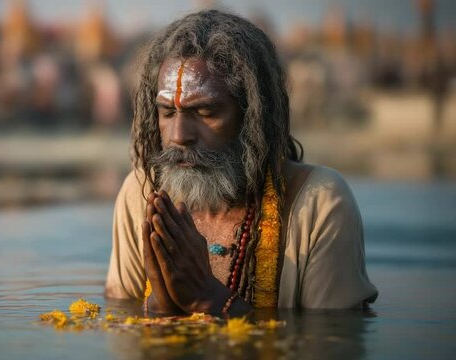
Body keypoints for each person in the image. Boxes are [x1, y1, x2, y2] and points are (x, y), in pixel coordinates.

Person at [104, 10, 378, 315]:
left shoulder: (321, 204)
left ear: (251, 117)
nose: (179, 136)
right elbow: (121, 324)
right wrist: (161, 305)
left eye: (205, 112)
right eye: (167, 113)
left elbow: (330, 342)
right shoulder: (139, 193)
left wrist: (209, 297)